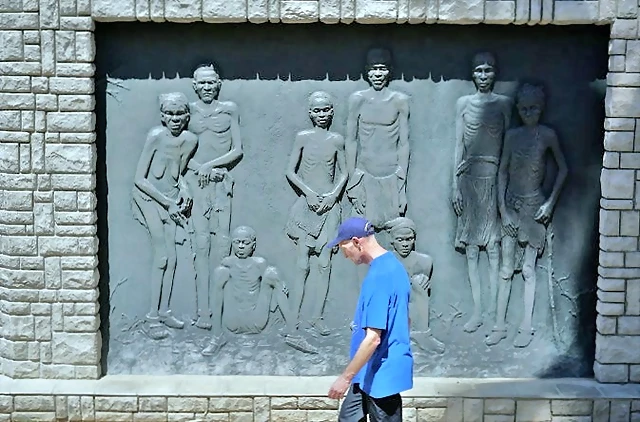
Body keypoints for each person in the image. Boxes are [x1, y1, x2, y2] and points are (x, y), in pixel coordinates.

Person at [486, 83, 568, 348]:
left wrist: (550, 204)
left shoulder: (547, 135)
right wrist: (503, 211)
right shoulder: (512, 136)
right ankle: (499, 325)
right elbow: (501, 172)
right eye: (523, 109)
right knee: (506, 269)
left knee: (529, 269)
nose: (528, 113)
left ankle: (526, 326)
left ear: (541, 108)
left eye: (533, 108)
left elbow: (563, 169)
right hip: (511, 205)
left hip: (535, 207)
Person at [326, 217, 413, 422]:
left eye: (342, 246)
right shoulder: (394, 266)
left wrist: (344, 378)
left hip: (381, 377)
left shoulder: (379, 277)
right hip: (366, 372)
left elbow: (373, 338)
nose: (344, 254)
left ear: (357, 242)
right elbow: (406, 320)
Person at [451, 52, 512, 333]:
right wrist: (455, 185)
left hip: (494, 180)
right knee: (473, 250)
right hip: (469, 180)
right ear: (472, 74)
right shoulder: (463, 104)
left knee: (494, 249)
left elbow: (510, 147)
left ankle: (495, 313)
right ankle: (477, 310)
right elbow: (457, 147)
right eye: (479, 70)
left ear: (495, 73)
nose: (484, 75)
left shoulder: (504, 104)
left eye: (488, 70)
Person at [131, 92, 197, 330]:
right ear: (162, 116)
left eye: (180, 114)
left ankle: (164, 312)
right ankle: (151, 317)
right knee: (162, 256)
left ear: (187, 116)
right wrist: (166, 203)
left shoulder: (190, 140)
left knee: (172, 258)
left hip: (169, 199)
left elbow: (177, 172)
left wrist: (185, 188)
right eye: (169, 114)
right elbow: (140, 179)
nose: (175, 118)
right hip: (149, 198)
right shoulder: (155, 137)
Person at [186, 63, 244, 329]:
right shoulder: (187, 111)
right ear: (195, 85)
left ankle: (223, 312)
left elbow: (237, 149)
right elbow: (180, 150)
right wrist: (200, 168)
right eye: (202, 83)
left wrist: (213, 167)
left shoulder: (229, 110)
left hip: (221, 184)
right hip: (196, 184)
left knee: (222, 245)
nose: (207, 88)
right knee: (200, 246)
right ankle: (203, 311)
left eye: (212, 83)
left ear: (218, 84)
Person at [285, 91, 347, 336]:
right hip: (307, 206)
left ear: (332, 111)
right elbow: (291, 171)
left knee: (324, 264)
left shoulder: (336, 139)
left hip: (330, 207)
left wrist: (333, 195)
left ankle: (317, 317)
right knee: (302, 264)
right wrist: (308, 193)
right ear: (310, 112)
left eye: (326, 110)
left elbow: (344, 172)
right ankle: (294, 317)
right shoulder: (302, 137)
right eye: (317, 110)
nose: (322, 114)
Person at [202, 226, 317, 356]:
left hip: (256, 319)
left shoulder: (259, 263)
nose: (240, 246)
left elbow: (272, 282)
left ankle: (293, 335)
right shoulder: (228, 263)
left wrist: (280, 284)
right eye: (237, 242)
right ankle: (217, 337)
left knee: (272, 273)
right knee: (220, 272)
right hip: (233, 320)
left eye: (245, 243)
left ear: (253, 245)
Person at [345, 48, 410, 229]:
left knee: (393, 238)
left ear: (390, 71)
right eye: (374, 69)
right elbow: (350, 141)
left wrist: (401, 185)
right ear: (367, 71)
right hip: (365, 176)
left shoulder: (399, 101)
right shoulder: (357, 100)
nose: (378, 74)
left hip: (391, 176)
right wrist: (353, 181)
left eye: (382, 68)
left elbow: (404, 144)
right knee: (362, 239)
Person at [386, 217, 445, 354]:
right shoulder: (384, 262)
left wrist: (422, 281)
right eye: (400, 240)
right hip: (390, 307)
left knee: (419, 282)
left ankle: (422, 335)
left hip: (414, 304)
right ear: (392, 241)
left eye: (409, 239)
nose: (405, 244)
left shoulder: (424, 262)